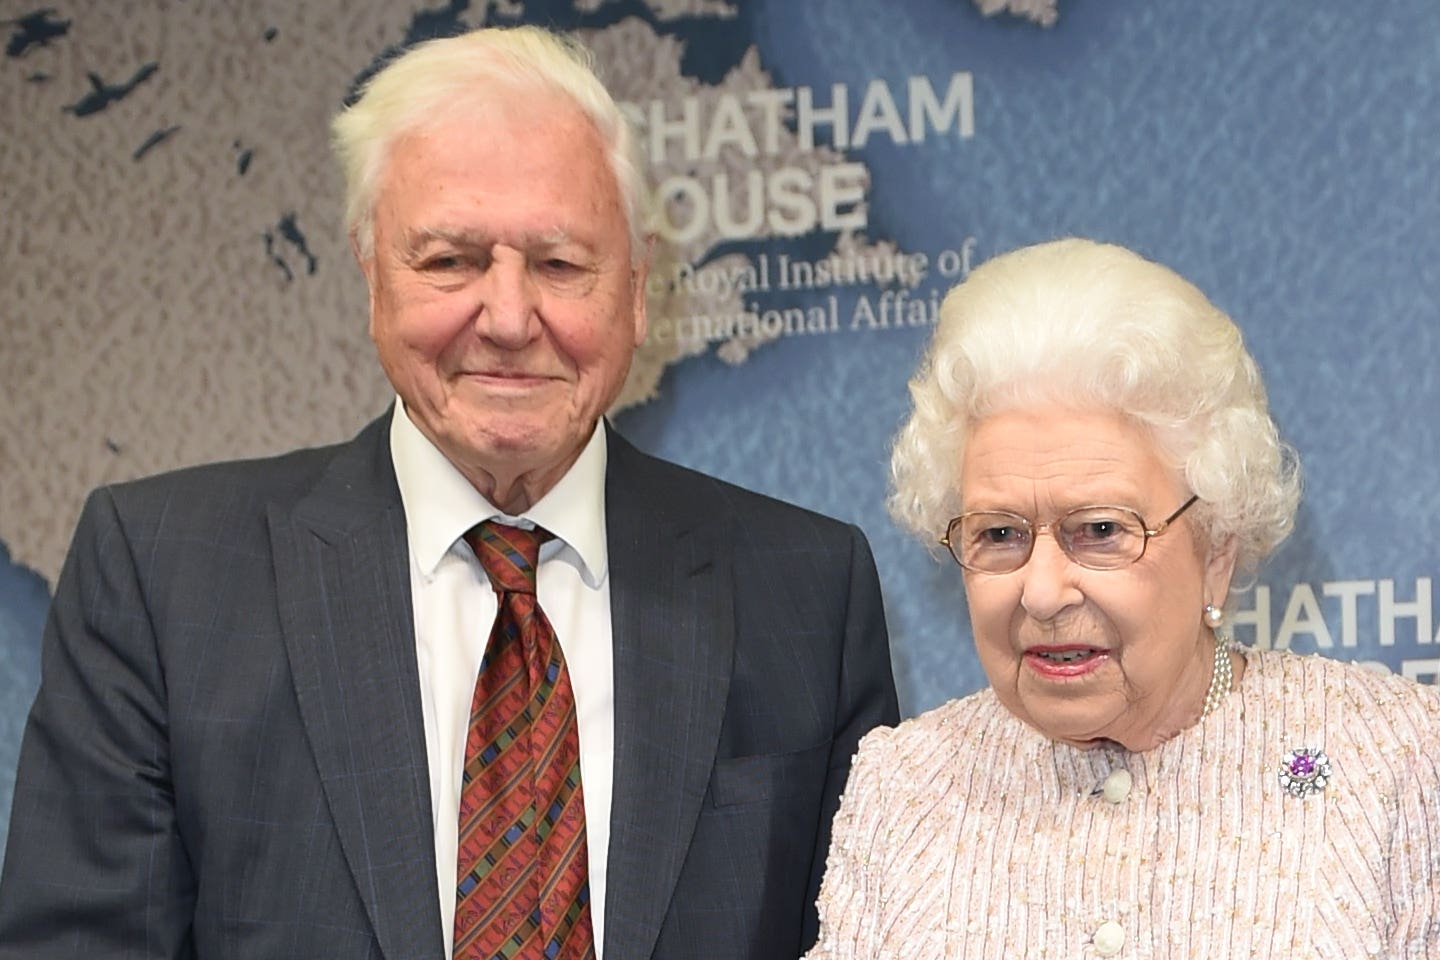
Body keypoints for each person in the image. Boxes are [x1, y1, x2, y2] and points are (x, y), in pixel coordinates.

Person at [0, 25, 898, 960]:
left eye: (559, 264)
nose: (509, 320)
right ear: (370, 274)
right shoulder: (160, 577)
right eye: (450, 261)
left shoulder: (808, 590)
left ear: (635, 291)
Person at [803, 238, 1440, 958]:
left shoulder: (1398, 759)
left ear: (1216, 550)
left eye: (1101, 530)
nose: (1041, 593)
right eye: (1000, 533)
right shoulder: (905, 786)